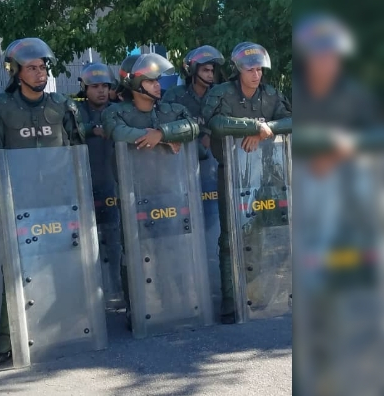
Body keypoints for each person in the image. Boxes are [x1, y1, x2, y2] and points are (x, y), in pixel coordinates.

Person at [0, 37, 84, 368]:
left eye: (43, 67)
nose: (40, 73)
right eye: (32, 68)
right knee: (16, 271)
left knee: (61, 262)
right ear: (15, 72)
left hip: (57, 200)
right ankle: (7, 341)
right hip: (18, 202)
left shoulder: (62, 105)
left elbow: (77, 152)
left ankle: (66, 328)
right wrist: (1, 196)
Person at [102, 53, 200, 323]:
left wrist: (164, 133)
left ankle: (178, 304)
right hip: (134, 194)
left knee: (172, 249)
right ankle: (137, 308)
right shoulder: (116, 112)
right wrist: (161, 139)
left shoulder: (169, 110)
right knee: (133, 253)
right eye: (151, 81)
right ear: (135, 83)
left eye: (158, 80)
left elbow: (192, 126)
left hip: (168, 190)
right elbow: (119, 133)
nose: (158, 85)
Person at [201, 42, 292, 324]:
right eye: (250, 69)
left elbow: (292, 119)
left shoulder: (270, 93)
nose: (256, 74)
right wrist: (253, 126)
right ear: (238, 70)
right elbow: (214, 122)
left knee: (259, 234)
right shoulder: (221, 93)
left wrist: (266, 131)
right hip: (230, 172)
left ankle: (257, 295)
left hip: (265, 174)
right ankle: (231, 302)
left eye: (259, 69)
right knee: (230, 238)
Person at [76, 62, 123, 306]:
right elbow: (67, 133)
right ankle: (89, 297)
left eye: (105, 86)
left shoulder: (118, 110)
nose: (101, 91)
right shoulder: (75, 110)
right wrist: (91, 130)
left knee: (114, 240)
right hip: (82, 187)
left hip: (114, 185)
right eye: (95, 86)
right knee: (86, 244)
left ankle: (117, 291)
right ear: (84, 88)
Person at [162, 45, 225, 158]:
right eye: (205, 70)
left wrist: (210, 135)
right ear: (192, 71)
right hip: (182, 155)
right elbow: (162, 122)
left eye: (212, 70)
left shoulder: (220, 93)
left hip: (216, 155)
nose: (210, 75)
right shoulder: (174, 95)